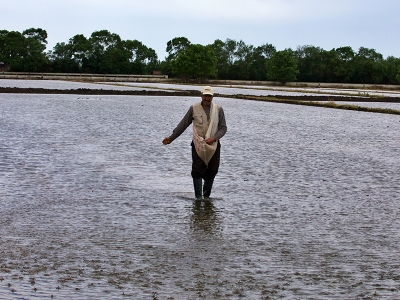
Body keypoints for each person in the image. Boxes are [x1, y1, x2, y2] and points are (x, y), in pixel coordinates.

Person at [162, 86, 227, 200]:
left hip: (213, 145)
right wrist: (171, 138)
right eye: (205, 96)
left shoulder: (218, 109)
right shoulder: (194, 108)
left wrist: (214, 138)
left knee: (212, 170)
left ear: (212, 97)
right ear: (201, 96)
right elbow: (183, 124)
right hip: (198, 144)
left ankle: (206, 197)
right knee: (197, 170)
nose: (207, 98)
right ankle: (198, 198)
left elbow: (223, 128)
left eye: (209, 96)